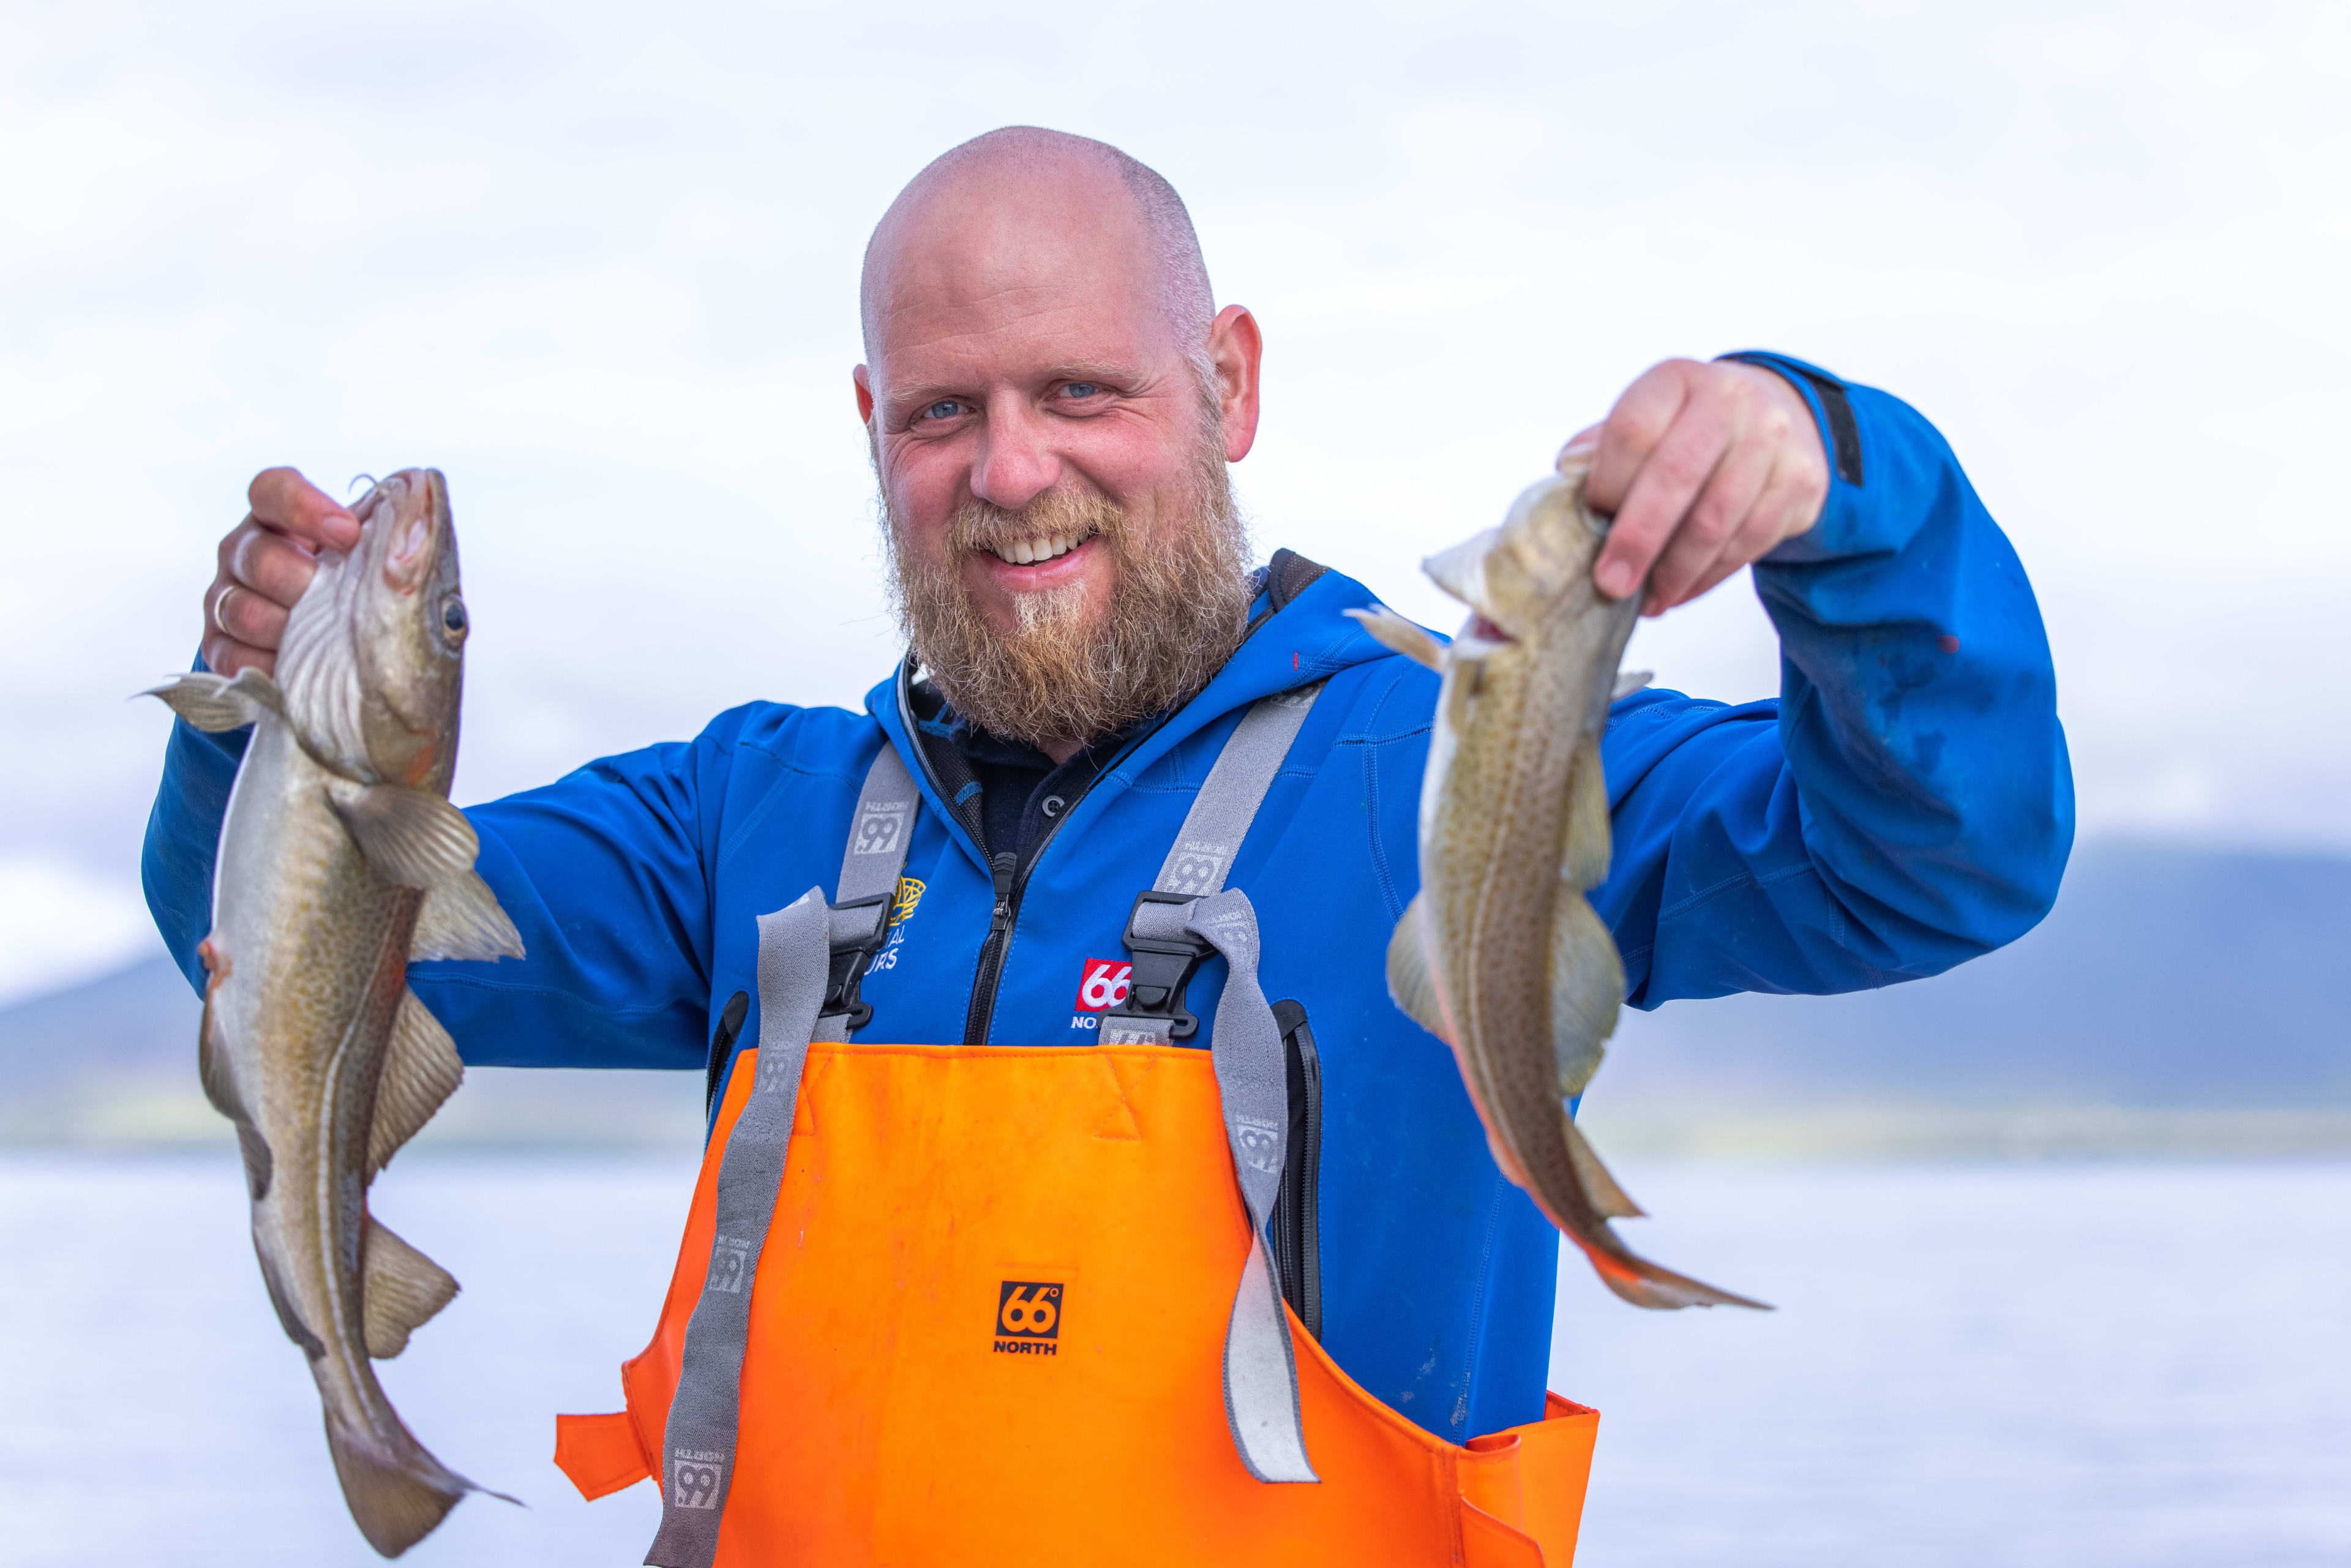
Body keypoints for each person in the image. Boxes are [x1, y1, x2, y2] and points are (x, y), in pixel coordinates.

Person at [142, 127, 2071, 1562]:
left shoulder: (1457, 766)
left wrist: (1849, 491)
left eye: (1083, 391)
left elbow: (1931, 857)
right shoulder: (744, 816)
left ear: (1226, 379)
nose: (1009, 470)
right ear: (867, 425)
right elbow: (287, 956)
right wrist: (261, 719)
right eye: (942, 411)